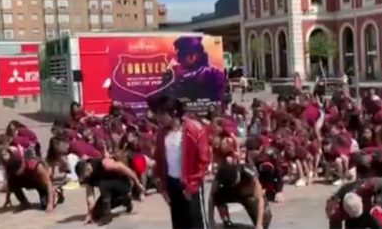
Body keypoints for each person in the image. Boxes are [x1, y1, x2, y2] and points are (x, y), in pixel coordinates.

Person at [151, 96, 212, 229]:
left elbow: (203, 161)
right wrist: (162, 187)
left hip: (190, 183)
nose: (158, 118)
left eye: (162, 114)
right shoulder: (162, 134)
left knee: (196, 223)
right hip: (172, 183)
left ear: (173, 113)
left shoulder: (194, 129)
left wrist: (192, 185)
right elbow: (160, 161)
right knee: (179, 223)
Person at [75, 157, 144, 224]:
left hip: (123, 185)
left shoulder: (103, 164)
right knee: (96, 213)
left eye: (85, 175)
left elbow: (123, 168)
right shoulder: (88, 178)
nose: (86, 178)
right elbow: (90, 196)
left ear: (88, 168)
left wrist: (137, 184)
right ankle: (124, 200)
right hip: (109, 191)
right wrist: (90, 214)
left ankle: (107, 215)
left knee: (103, 184)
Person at [208, 163, 271, 229]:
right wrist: (211, 220)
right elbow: (211, 196)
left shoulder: (249, 172)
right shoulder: (221, 173)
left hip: (249, 196)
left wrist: (259, 224)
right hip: (234, 193)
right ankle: (226, 221)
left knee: (264, 224)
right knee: (217, 194)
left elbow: (260, 198)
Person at [0, 147, 63, 212]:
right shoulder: (13, 171)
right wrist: (7, 198)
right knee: (12, 180)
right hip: (27, 181)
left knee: (45, 205)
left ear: (22, 165)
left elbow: (48, 184)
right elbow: (10, 183)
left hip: (40, 182)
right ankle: (24, 202)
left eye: (18, 171)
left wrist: (50, 204)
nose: (17, 174)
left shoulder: (36, 166)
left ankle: (57, 192)